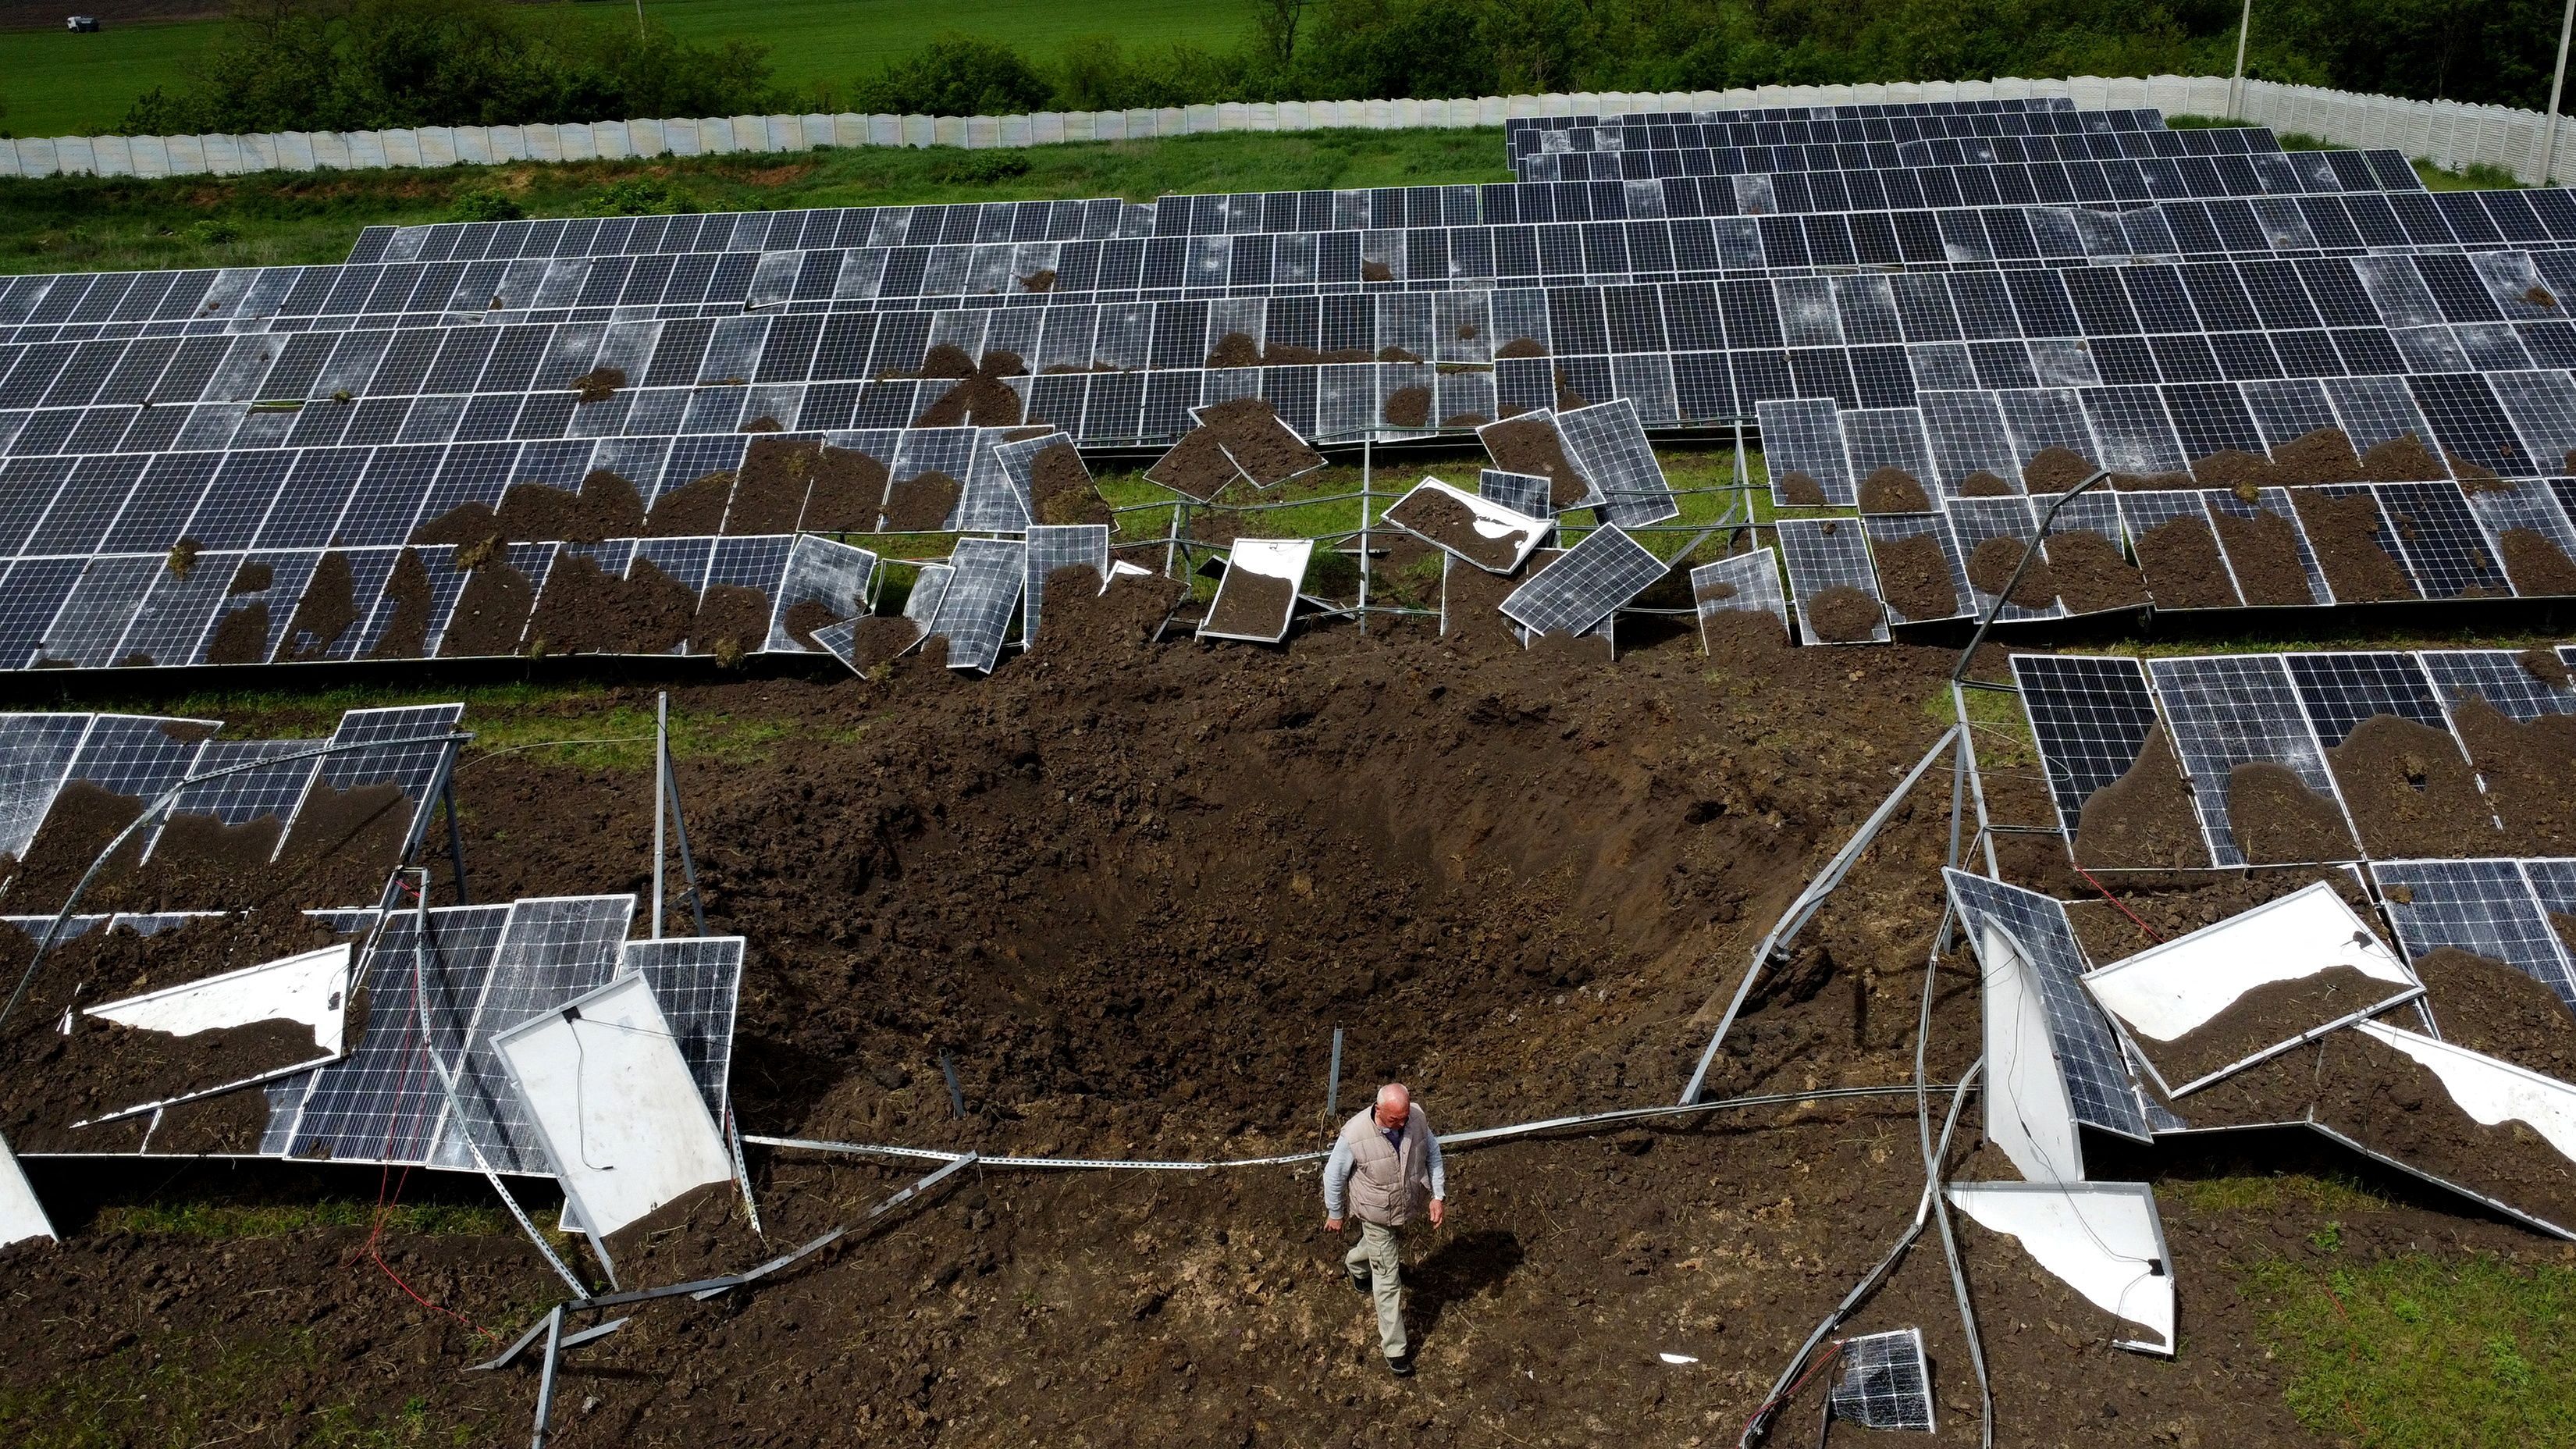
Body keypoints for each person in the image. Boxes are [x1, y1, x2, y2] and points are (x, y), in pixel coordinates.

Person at [1323, 1081, 1446, 1376]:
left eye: (1405, 1117)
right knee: (1388, 1278)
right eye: (1395, 1119)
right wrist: (1336, 1213)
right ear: (1378, 1110)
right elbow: (1333, 1175)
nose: (1402, 1124)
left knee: (1379, 1250)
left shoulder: (1416, 1118)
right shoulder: (1354, 1135)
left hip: (1404, 1207)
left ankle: (1355, 1265)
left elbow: (1433, 1153)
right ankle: (1396, 1350)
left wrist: (1438, 1195)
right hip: (1374, 1212)